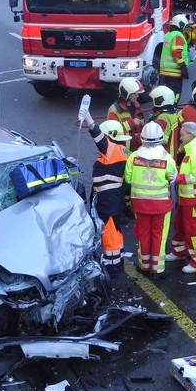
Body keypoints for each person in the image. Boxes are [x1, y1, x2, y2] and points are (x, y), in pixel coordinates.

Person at [79, 108, 130, 275]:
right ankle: (117, 262)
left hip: (108, 201)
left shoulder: (113, 150)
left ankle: (112, 266)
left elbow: (99, 140)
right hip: (111, 200)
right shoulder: (118, 152)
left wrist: (91, 122)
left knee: (109, 234)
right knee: (114, 231)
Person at [124, 122, 177, 278]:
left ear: (142, 138)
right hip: (161, 206)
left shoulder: (133, 157)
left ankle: (144, 266)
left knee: (143, 235)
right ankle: (157, 270)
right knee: (159, 237)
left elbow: (127, 178)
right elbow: (172, 177)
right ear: (161, 139)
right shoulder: (167, 158)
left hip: (139, 204)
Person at [166, 122, 196, 274]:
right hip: (187, 198)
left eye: (182, 135)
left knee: (192, 231)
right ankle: (179, 252)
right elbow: (192, 170)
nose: (180, 138)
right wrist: (179, 171)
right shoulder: (193, 148)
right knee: (180, 225)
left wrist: (179, 177)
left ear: (190, 134)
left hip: (194, 199)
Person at [158, 14, 191, 102]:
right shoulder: (178, 36)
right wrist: (183, 66)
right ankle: (173, 109)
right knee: (175, 94)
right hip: (174, 72)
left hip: (165, 71)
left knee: (166, 94)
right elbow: (176, 53)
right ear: (181, 25)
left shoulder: (169, 34)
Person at [107, 77, 144, 151]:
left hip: (137, 149)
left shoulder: (137, 105)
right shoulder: (114, 110)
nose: (137, 96)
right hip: (122, 150)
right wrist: (131, 123)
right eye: (134, 93)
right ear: (126, 93)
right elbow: (113, 133)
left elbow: (141, 124)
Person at [148, 85, 181, 160]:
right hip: (171, 155)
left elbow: (161, 140)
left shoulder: (163, 117)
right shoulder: (172, 113)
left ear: (159, 100)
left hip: (162, 156)